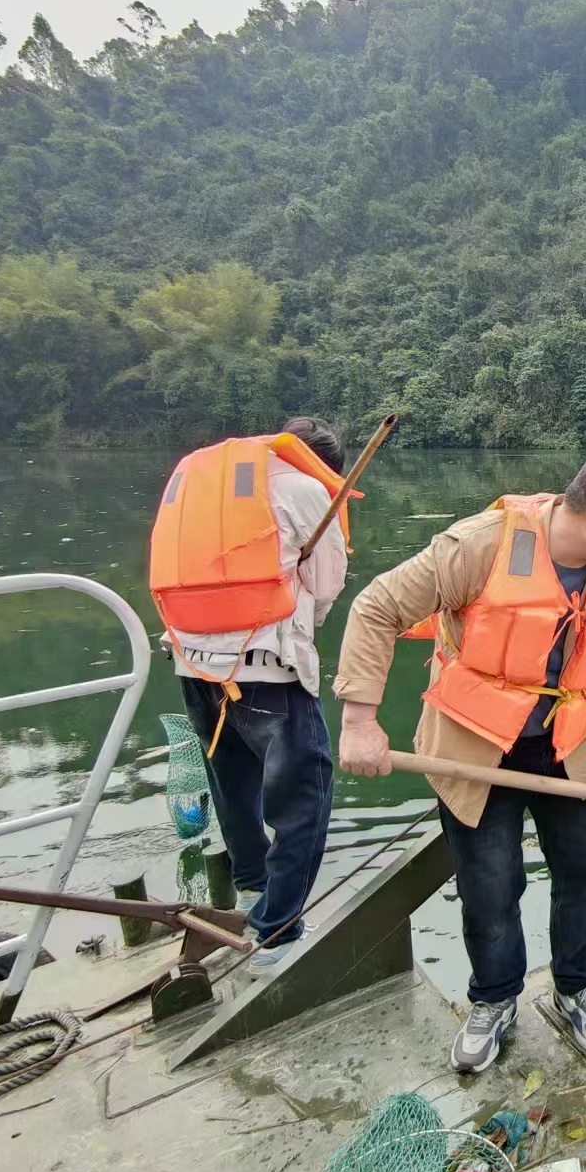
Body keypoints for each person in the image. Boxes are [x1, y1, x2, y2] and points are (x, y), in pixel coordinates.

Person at [333, 445, 586, 1074]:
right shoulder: (480, 545)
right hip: (475, 748)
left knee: (582, 872)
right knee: (489, 886)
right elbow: (376, 607)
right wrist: (359, 721)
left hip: (564, 748)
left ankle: (577, 985)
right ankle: (493, 999)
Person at [149, 416, 351, 973]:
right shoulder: (306, 489)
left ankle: (250, 887)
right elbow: (329, 581)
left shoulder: (197, 482)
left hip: (192, 668)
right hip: (267, 673)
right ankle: (277, 929)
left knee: (233, 784)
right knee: (304, 800)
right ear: (323, 467)